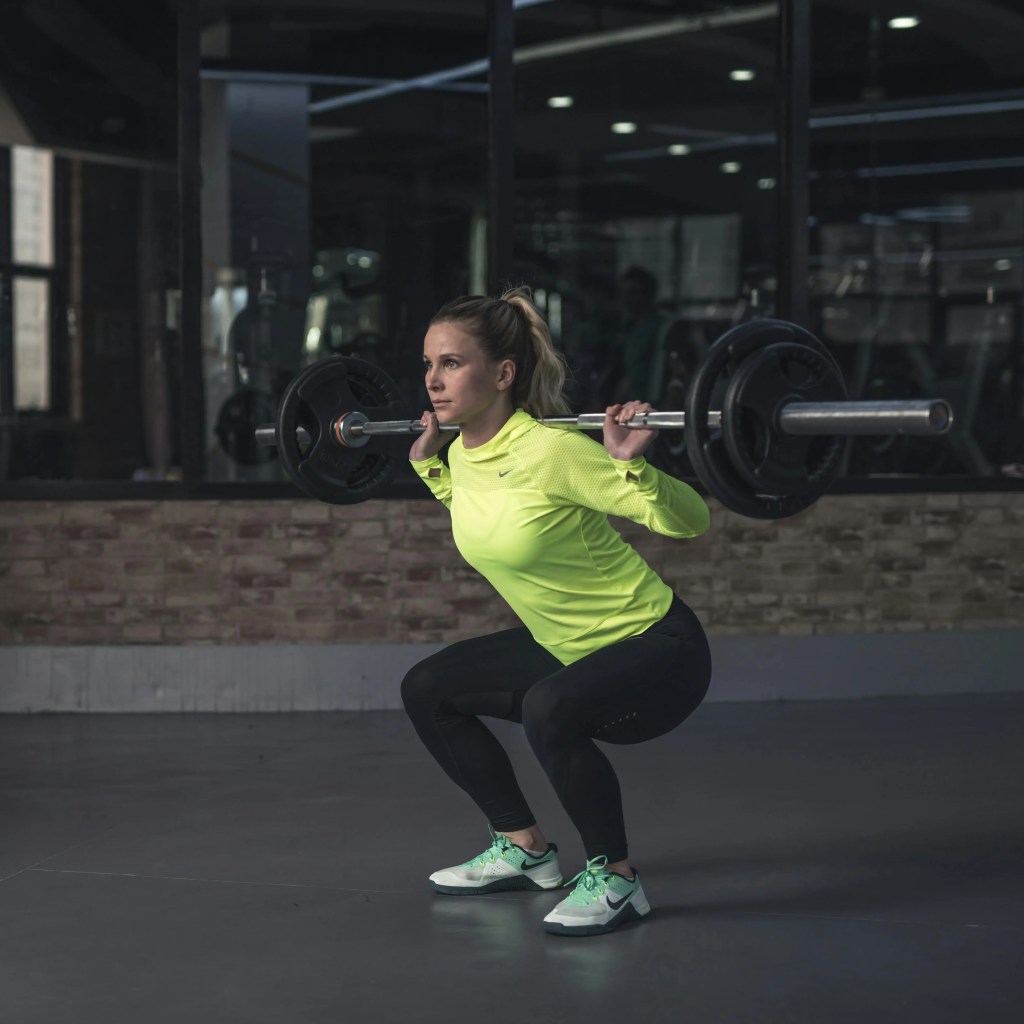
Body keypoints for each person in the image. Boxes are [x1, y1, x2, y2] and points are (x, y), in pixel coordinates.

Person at [401, 285, 712, 938]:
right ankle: (524, 847)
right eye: (428, 364)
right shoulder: (462, 454)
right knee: (428, 688)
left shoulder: (554, 453)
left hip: (658, 648)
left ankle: (618, 881)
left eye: (451, 363)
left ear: (503, 374)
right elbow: (488, 517)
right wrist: (432, 471)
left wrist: (634, 468)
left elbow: (690, 522)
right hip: (568, 643)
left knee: (548, 704)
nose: (433, 380)